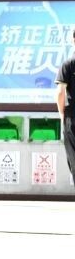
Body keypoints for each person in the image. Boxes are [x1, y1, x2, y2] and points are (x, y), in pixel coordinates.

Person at [58, 29, 75, 182]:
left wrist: (61, 114)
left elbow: (60, 93)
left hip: (72, 117)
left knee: (73, 157)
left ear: (73, 40)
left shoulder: (68, 64)